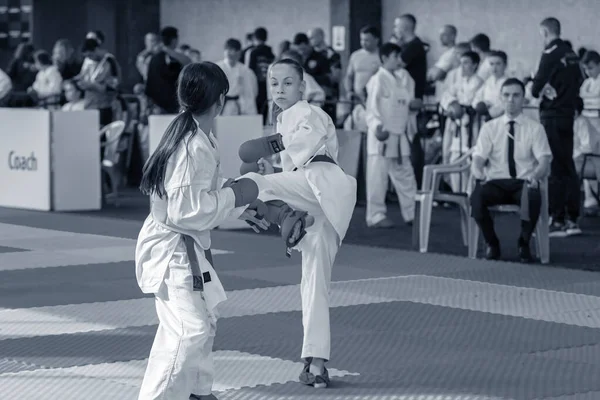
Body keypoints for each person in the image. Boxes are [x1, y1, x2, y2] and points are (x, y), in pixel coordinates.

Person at [135, 62, 308, 399]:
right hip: (172, 249)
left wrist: (243, 204)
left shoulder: (197, 135)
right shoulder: (191, 144)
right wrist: (236, 195)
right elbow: (186, 211)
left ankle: (199, 392)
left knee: (202, 322)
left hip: (188, 245)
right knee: (190, 330)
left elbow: (204, 190)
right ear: (220, 100)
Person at [237, 58, 357, 389]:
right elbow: (292, 172)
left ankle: (280, 216)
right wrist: (271, 171)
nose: (279, 88)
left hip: (325, 187)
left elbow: (306, 146)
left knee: (245, 183)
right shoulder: (282, 119)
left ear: (302, 87)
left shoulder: (310, 112)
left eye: (288, 82)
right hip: (316, 210)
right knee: (313, 284)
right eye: (274, 82)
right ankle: (316, 365)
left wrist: (269, 146)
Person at [470, 78, 552, 262]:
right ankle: (492, 243)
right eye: (506, 95)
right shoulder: (490, 127)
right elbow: (478, 157)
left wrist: (535, 175)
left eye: (516, 95)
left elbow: (544, 161)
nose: (511, 100)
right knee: (476, 198)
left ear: (523, 99)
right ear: (500, 98)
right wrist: (478, 171)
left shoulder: (535, 128)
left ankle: (523, 243)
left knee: (533, 196)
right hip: (496, 182)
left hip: (522, 183)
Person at [531, 17, 583, 237]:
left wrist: (541, 88)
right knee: (567, 164)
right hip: (568, 114)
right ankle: (572, 217)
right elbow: (579, 81)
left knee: (554, 167)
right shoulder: (571, 54)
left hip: (552, 115)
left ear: (544, 32)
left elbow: (536, 88)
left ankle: (558, 218)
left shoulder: (550, 54)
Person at [364, 42, 419, 228]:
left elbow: (403, 104)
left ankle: (412, 213)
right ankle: (375, 215)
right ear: (384, 58)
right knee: (377, 177)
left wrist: (412, 107)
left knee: (405, 173)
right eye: (395, 56)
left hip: (399, 133)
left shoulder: (400, 78)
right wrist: (376, 126)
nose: (398, 60)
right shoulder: (377, 79)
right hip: (383, 135)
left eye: (399, 56)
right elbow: (371, 109)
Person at [216, 38, 258, 116]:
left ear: (239, 53)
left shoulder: (246, 71)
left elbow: (253, 92)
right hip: (221, 106)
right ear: (224, 51)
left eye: (234, 50)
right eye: (228, 50)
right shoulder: (216, 68)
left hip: (240, 106)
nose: (231, 53)